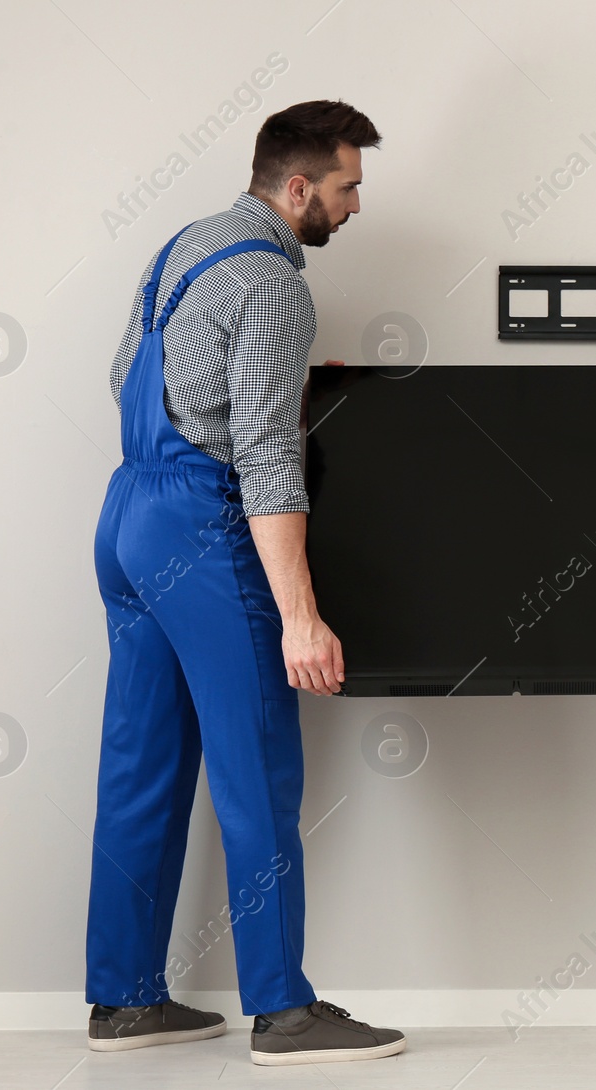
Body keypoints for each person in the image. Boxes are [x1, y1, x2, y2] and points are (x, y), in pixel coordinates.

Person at [85, 100, 406, 1066]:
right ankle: (283, 1012)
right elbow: (268, 454)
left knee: (140, 763)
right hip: (199, 521)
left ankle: (125, 1000)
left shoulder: (188, 243)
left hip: (127, 514)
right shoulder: (272, 281)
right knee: (258, 764)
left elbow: (120, 373)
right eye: (348, 187)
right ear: (299, 186)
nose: (356, 207)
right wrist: (301, 616)